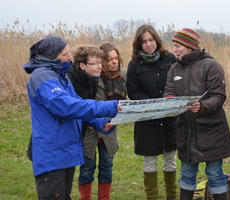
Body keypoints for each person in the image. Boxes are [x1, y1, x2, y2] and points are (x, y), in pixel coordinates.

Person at [22, 35, 122, 200]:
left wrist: (97, 122)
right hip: (52, 154)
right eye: (65, 54)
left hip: (64, 152)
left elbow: (77, 104)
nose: (69, 58)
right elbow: (66, 106)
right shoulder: (42, 77)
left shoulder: (60, 76)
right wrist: (107, 106)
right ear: (51, 56)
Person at [164, 28, 230, 200]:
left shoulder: (211, 65)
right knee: (187, 173)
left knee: (215, 173)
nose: (174, 49)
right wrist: (170, 100)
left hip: (212, 131)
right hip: (185, 130)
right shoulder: (174, 69)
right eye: (174, 45)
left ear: (189, 46)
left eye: (178, 46)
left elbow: (219, 96)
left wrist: (202, 106)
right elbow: (168, 92)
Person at [67, 43, 127, 200]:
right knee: (87, 167)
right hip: (90, 130)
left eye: (116, 58)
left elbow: (124, 103)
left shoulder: (122, 77)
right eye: (109, 59)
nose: (114, 62)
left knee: (107, 166)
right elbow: (85, 106)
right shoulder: (91, 78)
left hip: (109, 130)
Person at [126, 24, 178, 200]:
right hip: (147, 119)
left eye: (151, 40)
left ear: (156, 40)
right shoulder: (134, 64)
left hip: (170, 118)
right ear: (138, 44)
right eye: (144, 42)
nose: (149, 44)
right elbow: (132, 92)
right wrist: (153, 104)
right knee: (150, 161)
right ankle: (152, 197)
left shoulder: (170, 58)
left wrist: (169, 100)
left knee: (170, 158)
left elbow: (178, 83)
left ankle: (171, 195)